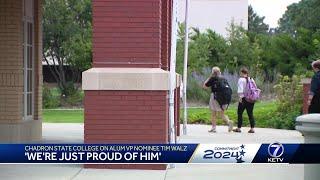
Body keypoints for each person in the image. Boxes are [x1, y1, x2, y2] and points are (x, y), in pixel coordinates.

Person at [203, 67, 233, 133]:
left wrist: (209, 77)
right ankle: (229, 122)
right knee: (222, 114)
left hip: (215, 97)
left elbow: (204, 86)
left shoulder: (213, 78)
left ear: (213, 72)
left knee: (213, 113)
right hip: (223, 98)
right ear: (219, 72)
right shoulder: (223, 78)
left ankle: (214, 128)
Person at [233, 67, 256, 133]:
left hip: (244, 98)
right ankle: (252, 128)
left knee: (240, 113)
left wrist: (240, 98)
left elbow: (240, 90)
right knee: (250, 113)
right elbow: (255, 88)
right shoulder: (251, 79)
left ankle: (239, 128)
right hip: (251, 99)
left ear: (242, 73)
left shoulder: (241, 79)